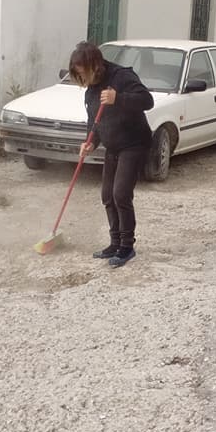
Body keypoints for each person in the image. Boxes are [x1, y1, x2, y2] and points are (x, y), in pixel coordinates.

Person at [69, 42, 154, 268]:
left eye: (84, 73)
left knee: (121, 194)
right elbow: (94, 121)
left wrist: (119, 98)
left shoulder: (121, 77)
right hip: (113, 146)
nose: (82, 78)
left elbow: (147, 101)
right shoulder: (92, 90)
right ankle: (115, 243)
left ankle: (127, 247)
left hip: (134, 143)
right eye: (79, 74)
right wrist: (90, 142)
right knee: (107, 195)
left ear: (95, 65)